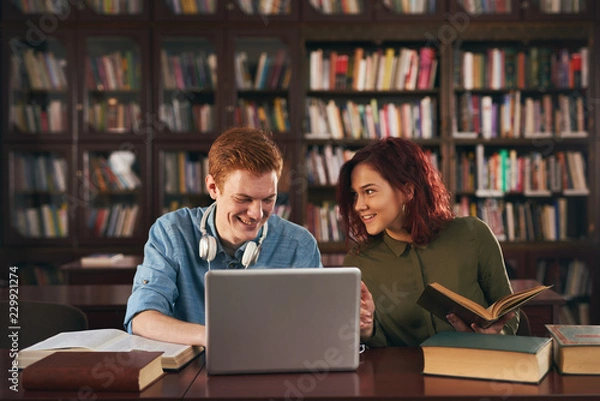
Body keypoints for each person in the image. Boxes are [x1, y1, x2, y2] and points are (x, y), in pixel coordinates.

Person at [124, 127, 322, 346]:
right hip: (193, 373)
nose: (257, 213)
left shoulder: (300, 245)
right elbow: (142, 319)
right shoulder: (171, 232)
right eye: (243, 199)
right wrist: (215, 337)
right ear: (213, 187)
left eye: (268, 200)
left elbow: (317, 328)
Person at [336, 137, 519, 347]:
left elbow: (510, 315)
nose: (358, 206)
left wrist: (498, 334)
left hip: (477, 367)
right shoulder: (359, 263)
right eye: (354, 195)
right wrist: (367, 331)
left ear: (407, 190)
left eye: (369, 191)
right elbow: (376, 352)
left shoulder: (473, 234)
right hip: (402, 377)